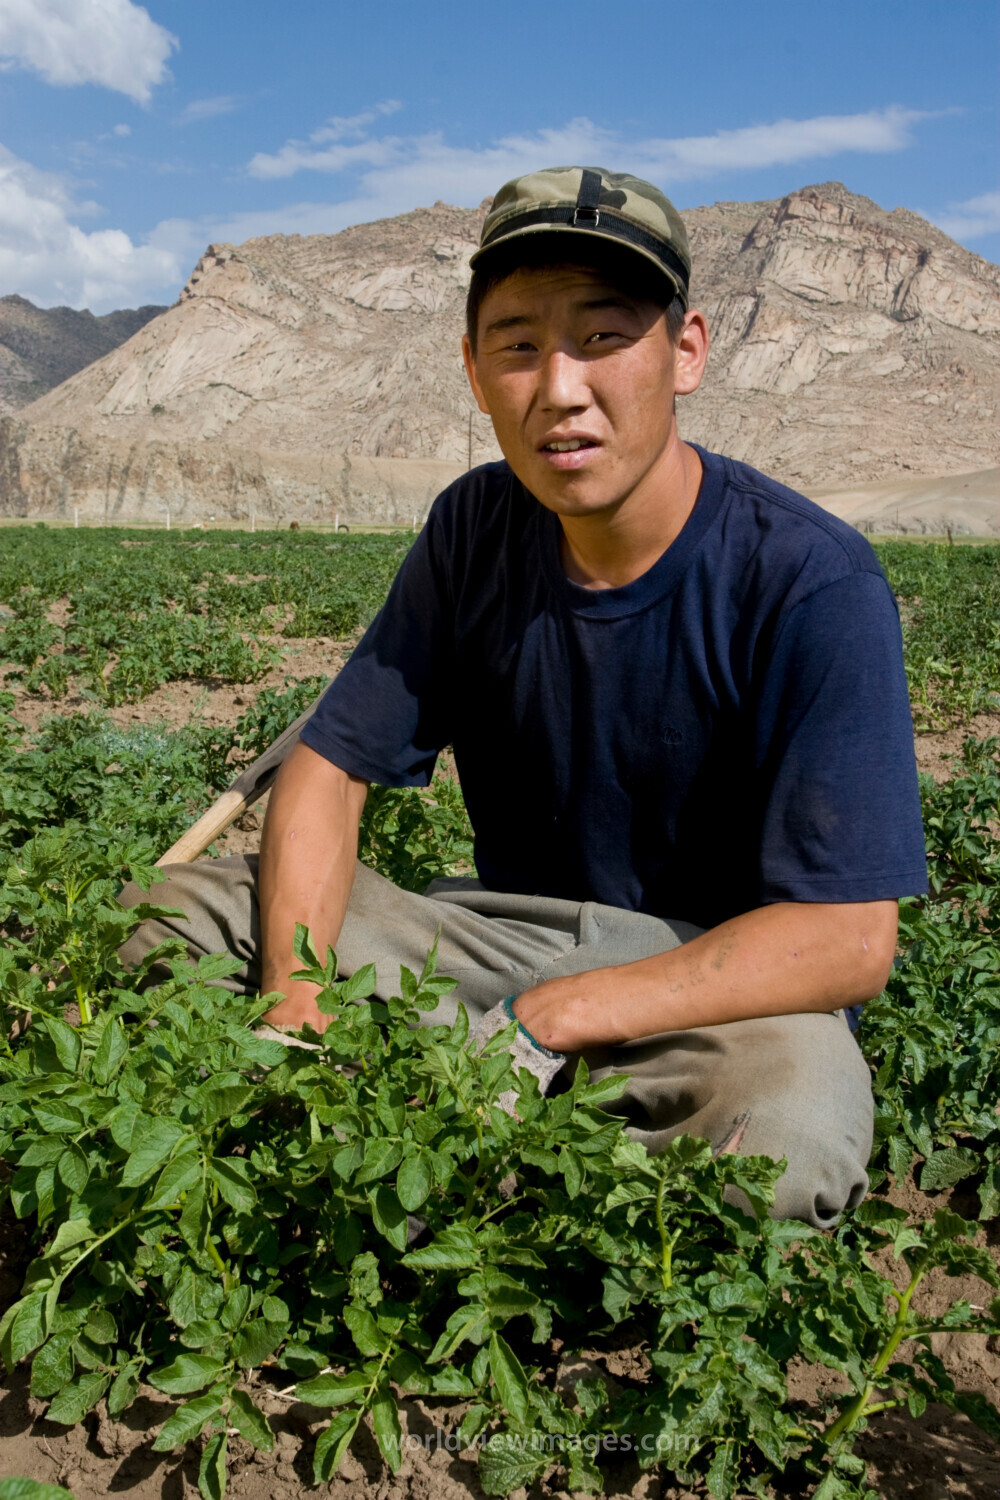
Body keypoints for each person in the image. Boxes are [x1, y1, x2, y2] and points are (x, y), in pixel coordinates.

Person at [120, 167, 928, 1227]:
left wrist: (555, 1017)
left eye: (602, 338)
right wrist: (299, 1002)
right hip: (502, 941)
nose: (558, 387)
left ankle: (441, 1157)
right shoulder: (475, 530)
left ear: (685, 352)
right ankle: (490, 1150)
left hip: (718, 988)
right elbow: (326, 766)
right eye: (517, 346)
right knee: (169, 913)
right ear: (472, 367)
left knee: (778, 1149)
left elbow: (845, 941)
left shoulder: (811, 581)